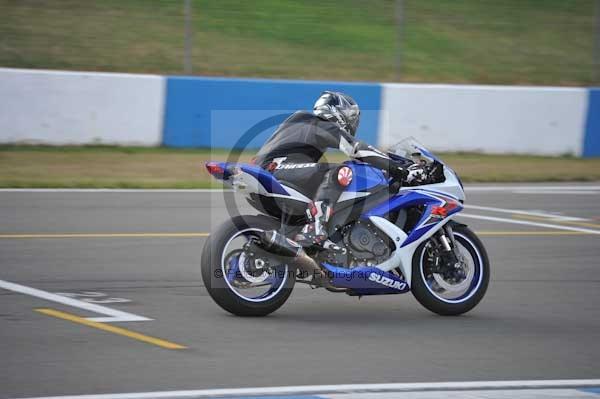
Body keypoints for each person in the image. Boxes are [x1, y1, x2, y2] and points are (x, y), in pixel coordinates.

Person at [254, 91, 423, 247]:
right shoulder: (320, 124)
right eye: (350, 117)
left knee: (317, 184)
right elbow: (357, 149)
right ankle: (315, 228)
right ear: (337, 112)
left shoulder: (300, 122)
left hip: (273, 171)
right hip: (277, 168)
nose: (352, 123)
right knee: (340, 172)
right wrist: (399, 169)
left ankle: (297, 237)